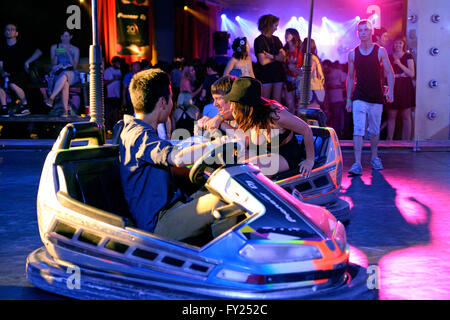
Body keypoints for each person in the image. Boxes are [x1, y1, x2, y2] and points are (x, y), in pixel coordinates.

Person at [119, 68, 229, 241]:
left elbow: (175, 150)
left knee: (222, 190)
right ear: (163, 102)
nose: (173, 104)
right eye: (171, 98)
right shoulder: (138, 134)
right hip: (158, 224)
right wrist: (222, 143)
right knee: (224, 204)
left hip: (172, 207)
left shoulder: (141, 130)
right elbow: (177, 157)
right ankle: (225, 265)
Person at [223, 76, 315, 177]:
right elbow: (226, 118)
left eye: (233, 103)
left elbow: (306, 129)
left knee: (249, 172)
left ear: (245, 106)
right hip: (264, 151)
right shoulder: (248, 115)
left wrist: (309, 160)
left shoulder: (276, 115)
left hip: (284, 154)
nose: (231, 107)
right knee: (232, 165)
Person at [346, 19, 394, 175]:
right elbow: (350, 77)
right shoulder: (353, 53)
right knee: (358, 129)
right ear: (358, 33)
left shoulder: (380, 51)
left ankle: (374, 157)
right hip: (359, 95)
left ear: (371, 31)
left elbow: (389, 72)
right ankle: (357, 163)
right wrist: (348, 99)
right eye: (360, 30)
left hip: (376, 96)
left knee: (374, 130)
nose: (363, 33)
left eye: (366, 30)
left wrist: (391, 90)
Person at [0, 23, 42, 116]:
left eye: (12, 29)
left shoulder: (23, 45)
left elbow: (39, 51)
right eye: (7, 29)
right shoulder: (2, 47)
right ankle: (4, 108)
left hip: (21, 73)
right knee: (1, 84)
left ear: (16, 33)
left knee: (12, 83)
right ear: (4, 32)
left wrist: (27, 62)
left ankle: (25, 105)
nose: (9, 31)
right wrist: (2, 72)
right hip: (7, 74)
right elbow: (0, 64)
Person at [45, 29, 80, 116]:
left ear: (71, 37)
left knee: (65, 75)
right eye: (62, 36)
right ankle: (65, 111)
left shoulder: (75, 49)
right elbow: (53, 64)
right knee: (65, 83)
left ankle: (51, 98)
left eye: (66, 36)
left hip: (71, 73)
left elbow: (74, 66)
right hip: (58, 72)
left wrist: (68, 53)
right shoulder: (54, 47)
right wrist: (56, 55)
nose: (64, 38)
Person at [386, 36, 415, 140]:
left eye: (400, 43)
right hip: (393, 87)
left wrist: (399, 64)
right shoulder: (389, 57)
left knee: (406, 115)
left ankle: (407, 141)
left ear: (403, 44)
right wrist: (398, 75)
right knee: (391, 115)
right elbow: (385, 74)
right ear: (393, 45)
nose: (398, 45)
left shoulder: (408, 56)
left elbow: (411, 73)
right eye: (396, 43)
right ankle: (389, 141)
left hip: (405, 88)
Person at [253, 14, 286, 103]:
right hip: (265, 75)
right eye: (275, 25)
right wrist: (276, 58)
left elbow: (283, 58)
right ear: (269, 25)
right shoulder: (259, 40)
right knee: (265, 102)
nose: (276, 28)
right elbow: (263, 61)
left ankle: (276, 117)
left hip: (278, 74)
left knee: (277, 104)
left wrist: (271, 57)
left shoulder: (276, 39)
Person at [301, 38, 325, 110]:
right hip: (317, 87)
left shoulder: (310, 57)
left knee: (310, 112)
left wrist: (297, 71)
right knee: (313, 112)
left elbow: (309, 72)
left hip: (312, 88)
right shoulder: (314, 57)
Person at [283, 28, 303, 113]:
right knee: (289, 105)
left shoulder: (301, 49)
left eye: (288, 34)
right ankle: (292, 125)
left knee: (300, 105)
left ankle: (300, 124)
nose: (286, 35)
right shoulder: (284, 50)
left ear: (294, 35)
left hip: (299, 78)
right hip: (288, 79)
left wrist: (295, 69)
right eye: (285, 34)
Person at [326, 61, 347, 137]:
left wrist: (336, 87)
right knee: (332, 118)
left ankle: (338, 134)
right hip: (329, 101)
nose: (325, 69)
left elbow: (346, 84)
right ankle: (333, 134)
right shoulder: (325, 75)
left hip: (338, 99)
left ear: (329, 66)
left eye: (326, 67)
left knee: (337, 118)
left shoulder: (338, 72)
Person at [104, 56, 122, 130]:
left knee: (116, 111)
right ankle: (107, 126)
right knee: (109, 111)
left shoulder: (119, 70)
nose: (118, 64)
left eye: (119, 63)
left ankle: (116, 127)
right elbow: (104, 82)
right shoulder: (108, 70)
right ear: (113, 63)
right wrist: (113, 79)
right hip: (109, 95)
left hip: (117, 95)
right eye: (117, 63)